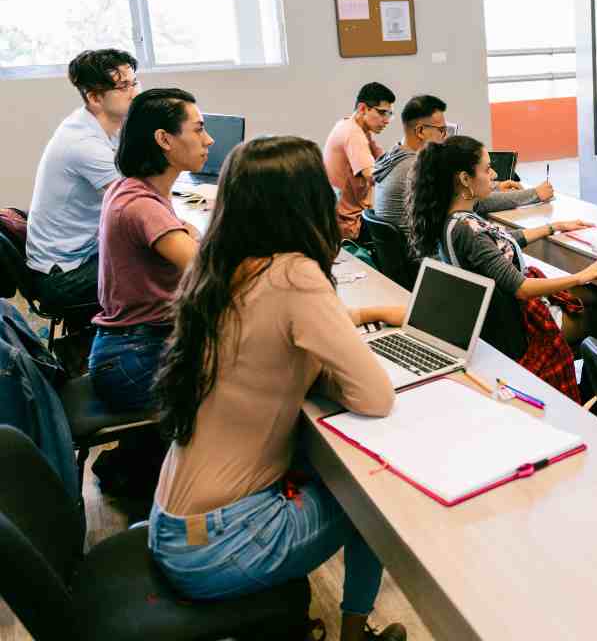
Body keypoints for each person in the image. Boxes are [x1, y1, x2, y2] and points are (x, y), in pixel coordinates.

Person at [150, 136, 407, 641]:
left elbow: (271, 332)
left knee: (330, 467)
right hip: (219, 545)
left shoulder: (218, 265)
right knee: (374, 495)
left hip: (174, 525)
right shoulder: (295, 273)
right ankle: (355, 634)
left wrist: (351, 322)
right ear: (305, 201)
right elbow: (376, 397)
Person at [409, 136, 597, 402]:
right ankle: (589, 396)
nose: (493, 176)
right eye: (486, 169)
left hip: (496, 325)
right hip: (521, 332)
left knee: (592, 296)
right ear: (465, 180)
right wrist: (580, 276)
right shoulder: (468, 230)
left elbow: (497, 246)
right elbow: (523, 288)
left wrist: (553, 227)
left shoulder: (452, 220)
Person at [87, 88, 212, 496]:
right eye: (199, 129)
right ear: (164, 140)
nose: (209, 140)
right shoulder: (142, 205)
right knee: (251, 373)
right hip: (133, 360)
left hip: (121, 351)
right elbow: (209, 272)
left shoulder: (134, 190)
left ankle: (139, 461)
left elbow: (186, 244)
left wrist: (189, 234)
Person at [26, 48, 140, 317]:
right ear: (94, 97)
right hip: (63, 278)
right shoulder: (83, 143)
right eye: (124, 86)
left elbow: (135, 180)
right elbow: (134, 207)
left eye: (134, 82)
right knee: (162, 266)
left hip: (83, 253)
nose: (135, 92)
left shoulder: (102, 126)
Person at [373, 94, 553, 236]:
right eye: (442, 130)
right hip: (427, 261)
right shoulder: (416, 168)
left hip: (409, 260)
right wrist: (535, 193)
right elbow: (475, 202)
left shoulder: (394, 156)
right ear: (420, 131)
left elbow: (457, 192)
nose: (445, 137)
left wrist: (495, 186)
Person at [323, 82, 394, 241]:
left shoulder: (352, 125)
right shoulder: (353, 134)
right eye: (382, 113)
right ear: (363, 108)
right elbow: (375, 177)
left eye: (389, 114)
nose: (386, 120)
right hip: (351, 226)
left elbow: (384, 159)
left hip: (344, 219)